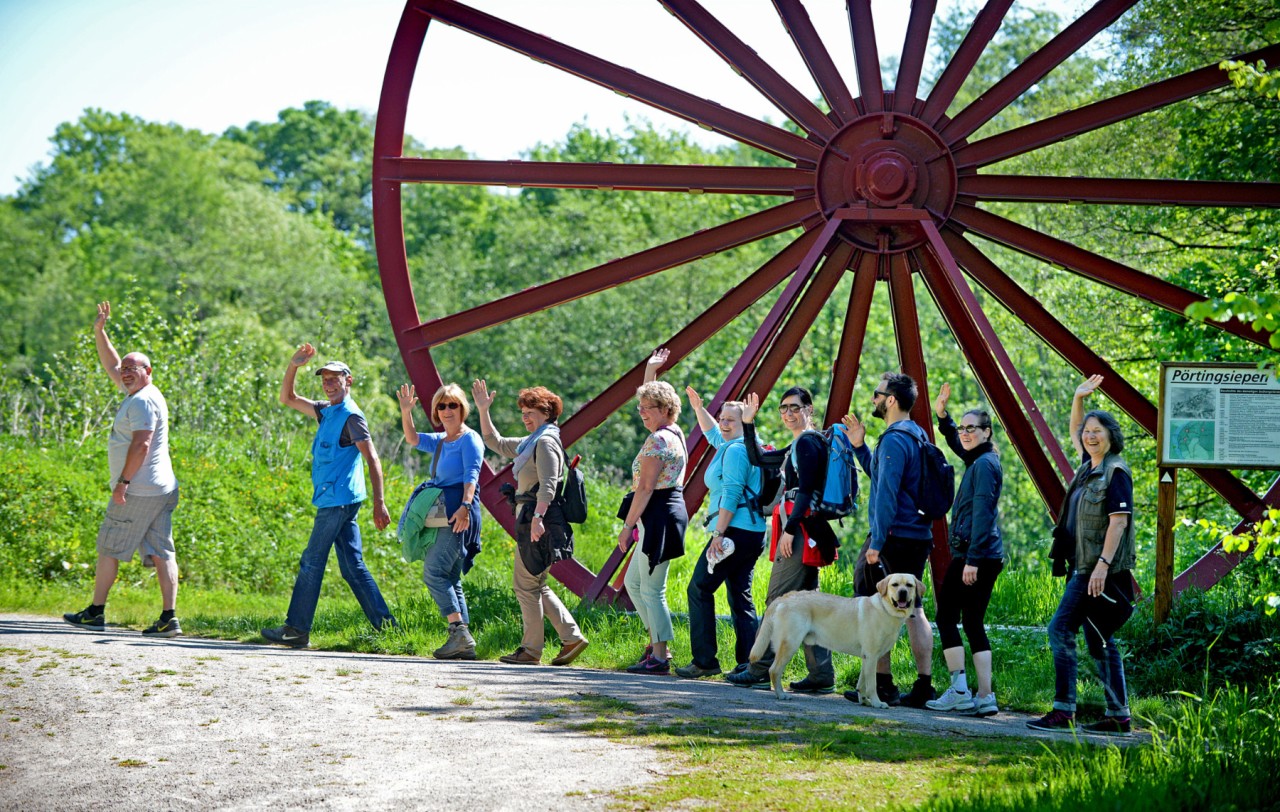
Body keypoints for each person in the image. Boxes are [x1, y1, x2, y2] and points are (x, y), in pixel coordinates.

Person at [261, 345, 397, 648]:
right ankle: (388, 628)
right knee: (351, 567)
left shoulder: (351, 416)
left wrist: (380, 502)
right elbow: (288, 399)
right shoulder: (327, 410)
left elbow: (372, 459)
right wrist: (293, 366)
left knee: (311, 561)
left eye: (336, 379)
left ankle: (296, 630)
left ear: (349, 381)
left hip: (338, 501)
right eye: (325, 379)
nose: (329, 383)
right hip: (337, 499)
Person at [64, 302, 182, 637]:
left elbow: (141, 444)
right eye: (125, 369)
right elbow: (112, 364)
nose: (126, 372)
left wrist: (123, 483)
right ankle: (168, 618)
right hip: (162, 488)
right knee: (161, 549)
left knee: (109, 547)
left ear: (149, 371)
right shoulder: (143, 391)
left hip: (139, 489)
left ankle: (95, 612)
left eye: (134, 368)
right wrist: (100, 332)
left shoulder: (142, 400)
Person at [1028, 374, 1137, 735]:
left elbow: (1118, 523)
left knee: (1060, 629)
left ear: (1111, 437)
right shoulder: (1089, 466)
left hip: (1096, 569)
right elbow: (1075, 430)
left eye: (1098, 432)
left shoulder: (1115, 471)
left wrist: (1102, 566)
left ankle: (1064, 711)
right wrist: (1078, 398)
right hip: (1084, 566)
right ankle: (1118, 716)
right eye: (1088, 431)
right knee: (1099, 639)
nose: (1090, 436)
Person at [726, 386, 838, 694]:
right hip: (803, 529)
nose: (788, 413)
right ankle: (821, 674)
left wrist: (790, 531)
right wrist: (748, 424)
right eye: (783, 409)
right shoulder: (799, 445)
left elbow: (807, 491)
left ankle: (760, 668)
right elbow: (759, 459)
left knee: (776, 599)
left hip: (799, 531)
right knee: (807, 604)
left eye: (794, 407)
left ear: (809, 410)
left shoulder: (808, 443)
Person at [472, 379, 589, 666]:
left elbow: (548, 484)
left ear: (546, 413)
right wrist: (483, 410)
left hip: (539, 518)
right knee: (535, 582)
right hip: (531, 516)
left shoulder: (545, 442)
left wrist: (537, 519)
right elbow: (494, 443)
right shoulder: (532, 442)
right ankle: (571, 637)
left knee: (525, 585)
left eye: (530, 412)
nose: (525, 417)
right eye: (523, 412)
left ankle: (531, 650)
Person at [843, 372, 936, 708]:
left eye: (877, 393)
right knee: (914, 609)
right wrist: (860, 447)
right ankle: (924, 685)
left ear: (891, 400)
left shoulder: (895, 439)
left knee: (875, 607)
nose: (873, 400)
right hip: (917, 535)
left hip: (893, 536)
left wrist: (876, 543)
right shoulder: (918, 435)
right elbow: (884, 476)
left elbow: (886, 495)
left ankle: (882, 685)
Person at [924, 383, 1004, 717]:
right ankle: (983, 696)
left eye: (973, 428)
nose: (965, 433)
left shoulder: (984, 466)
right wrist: (943, 416)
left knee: (947, 616)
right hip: (982, 554)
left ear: (987, 432)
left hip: (976, 555)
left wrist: (971, 559)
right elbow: (958, 445)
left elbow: (983, 512)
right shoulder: (980, 459)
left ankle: (962, 689)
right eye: (963, 428)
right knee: (971, 621)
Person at [676, 385, 766, 679]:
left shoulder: (737, 451)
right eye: (722, 418)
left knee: (699, 588)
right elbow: (713, 434)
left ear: (744, 424)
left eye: (731, 420)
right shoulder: (741, 444)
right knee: (740, 596)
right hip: (751, 531)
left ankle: (704, 661)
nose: (724, 424)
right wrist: (699, 408)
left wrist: (718, 534)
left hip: (734, 532)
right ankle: (750, 664)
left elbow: (731, 492)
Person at [398, 382, 485, 660]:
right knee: (450, 576)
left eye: (453, 405)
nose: (447, 410)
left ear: (463, 409)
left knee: (434, 572)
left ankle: (458, 633)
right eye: (442, 406)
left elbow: (472, 474)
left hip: (457, 512)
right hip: (446, 512)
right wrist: (406, 411)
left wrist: (465, 507)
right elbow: (412, 439)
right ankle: (463, 640)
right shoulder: (441, 440)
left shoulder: (469, 438)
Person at [617, 372, 688, 675]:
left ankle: (659, 657)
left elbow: (645, 488)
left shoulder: (658, 439)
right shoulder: (674, 433)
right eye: (640, 406)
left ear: (666, 410)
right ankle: (657, 643)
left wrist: (626, 526)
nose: (642, 412)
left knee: (651, 589)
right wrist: (651, 371)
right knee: (634, 584)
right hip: (661, 514)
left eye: (648, 407)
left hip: (657, 516)